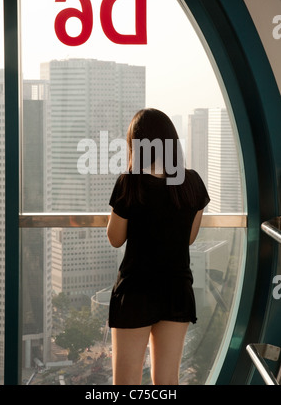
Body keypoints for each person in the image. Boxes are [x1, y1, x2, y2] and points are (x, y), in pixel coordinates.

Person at [107, 108, 210, 385]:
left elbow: (115, 238)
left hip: (136, 290)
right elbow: (188, 238)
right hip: (176, 289)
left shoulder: (130, 183)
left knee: (126, 384)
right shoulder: (192, 183)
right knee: (167, 381)